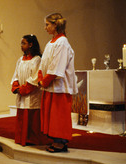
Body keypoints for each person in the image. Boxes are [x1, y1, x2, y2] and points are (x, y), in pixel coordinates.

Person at [36, 13, 77, 153]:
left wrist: (45, 81)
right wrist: (40, 77)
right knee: (52, 115)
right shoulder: (51, 42)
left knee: (58, 116)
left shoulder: (62, 43)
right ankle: (55, 140)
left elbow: (56, 67)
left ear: (55, 25)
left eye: (47, 24)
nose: (45, 27)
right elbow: (44, 63)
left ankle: (61, 143)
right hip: (50, 86)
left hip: (59, 86)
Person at [11, 34, 51, 146]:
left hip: (32, 94)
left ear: (31, 44)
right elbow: (16, 75)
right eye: (21, 43)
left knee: (33, 119)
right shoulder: (20, 60)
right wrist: (16, 86)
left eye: (23, 43)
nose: (21, 46)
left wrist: (24, 89)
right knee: (21, 117)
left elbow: (35, 77)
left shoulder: (37, 59)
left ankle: (32, 139)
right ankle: (21, 138)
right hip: (22, 93)